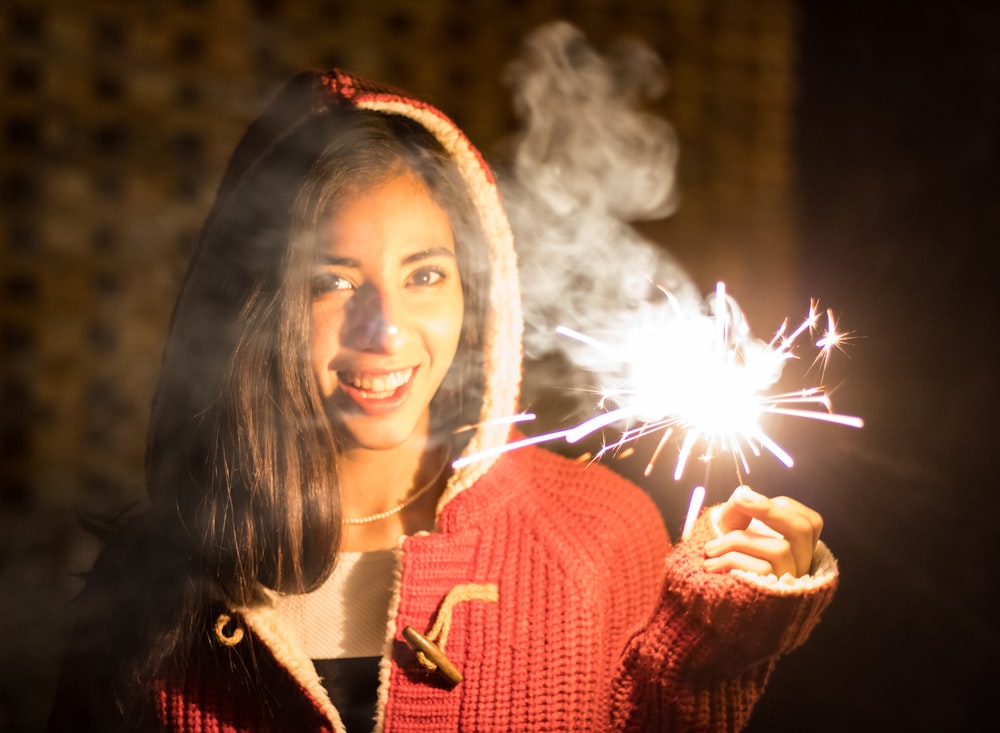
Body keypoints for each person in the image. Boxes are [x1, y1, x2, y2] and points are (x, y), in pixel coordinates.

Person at [47, 68, 838, 733]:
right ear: (255, 305)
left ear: (476, 292)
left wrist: (717, 633)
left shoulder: (601, 530)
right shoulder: (151, 581)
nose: (384, 330)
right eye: (333, 282)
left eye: (425, 274)